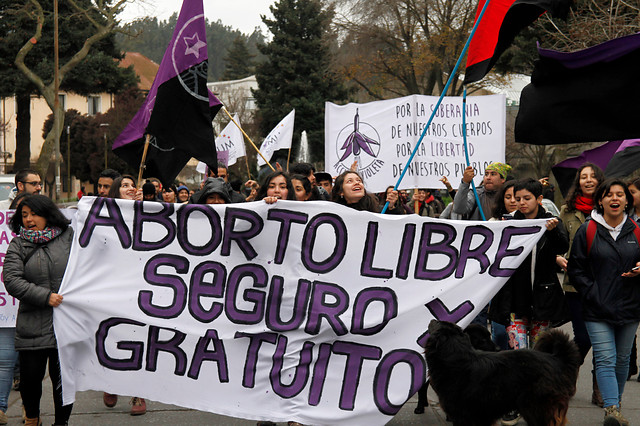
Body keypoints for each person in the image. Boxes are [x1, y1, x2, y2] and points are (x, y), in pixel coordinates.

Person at [568, 178, 640, 426]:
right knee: (606, 357)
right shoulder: (587, 229)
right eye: (609, 194)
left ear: (627, 201)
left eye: (620, 195)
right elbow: (575, 269)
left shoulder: (637, 231)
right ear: (600, 200)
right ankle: (611, 409)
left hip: (630, 306)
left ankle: (615, 407)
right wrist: (593, 293)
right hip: (597, 308)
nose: (615, 199)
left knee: (622, 359)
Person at [3, 195, 74, 426]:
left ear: (48, 215)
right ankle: (32, 420)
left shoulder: (69, 239)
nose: (29, 220)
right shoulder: (18, 244)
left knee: (62, 382)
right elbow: (12, 279)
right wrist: (45, 297)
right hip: (32, 326)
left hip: (65, 325)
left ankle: (61, 423)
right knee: (30, 381)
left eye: (34, 214)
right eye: (24, 215)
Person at [557, 163, 605, 406]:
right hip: (575, 285)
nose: (588, 181)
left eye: (592, 177)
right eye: (583, 177)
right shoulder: (567, 210)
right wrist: (559, 256)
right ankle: (570, 371)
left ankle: (600, 388)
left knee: (604, 339)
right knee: (584, 337)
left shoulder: (609, 208)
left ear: (600, 181)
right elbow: (558, 241)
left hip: (606, 285)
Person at [104, 176, 145, 414]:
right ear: (115, 191)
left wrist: (147, 205)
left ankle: (139, 395)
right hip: (113, 286)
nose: (130, 188)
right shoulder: (104, 214)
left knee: (140, 340)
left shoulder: (145, 209)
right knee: (113, 336)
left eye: (132, 185)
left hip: (141, 285)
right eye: (125, 185)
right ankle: (109, 381)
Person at [331, 171, 403, 214]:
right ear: (341, 192)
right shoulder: (334, 213)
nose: (356, 183)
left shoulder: (377, 210)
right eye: (350, 181)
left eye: (359, 180)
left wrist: (391, 208)